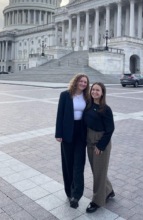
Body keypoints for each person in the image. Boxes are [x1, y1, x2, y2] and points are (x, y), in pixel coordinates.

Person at [55, 73, 90, 209]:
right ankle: (69, 191)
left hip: (81, 133)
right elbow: (60, 114)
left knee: (79, 164)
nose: (83, 84)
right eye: (81, 81)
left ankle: (77, 195)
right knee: (68, 163)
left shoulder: (87, 97)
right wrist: (58, 133)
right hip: (67, 132)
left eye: (85, 82)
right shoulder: (65, 95)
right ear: (75, 82)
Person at [83, 82, 115, 213]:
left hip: (101, 143)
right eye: (93, 90)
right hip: (89, 141)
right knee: (97, 171)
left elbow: (110, 129)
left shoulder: (105, 109)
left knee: (99, 172)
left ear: (102, 93)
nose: (94, 92)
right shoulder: (88, 105)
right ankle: (109, 190)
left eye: (98, 90)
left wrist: (101, 146)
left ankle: (97, 200)